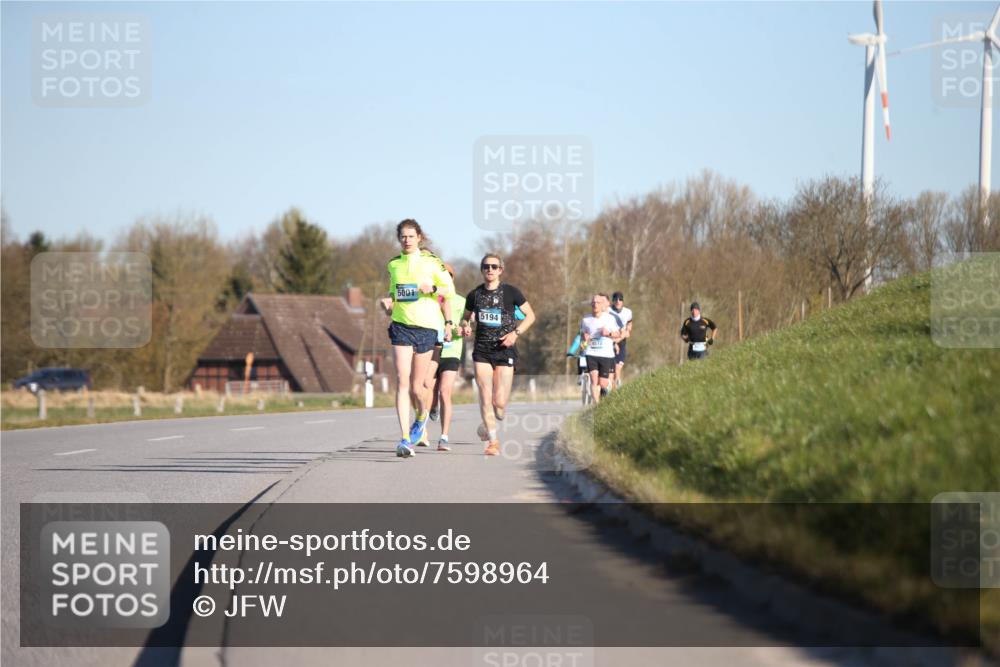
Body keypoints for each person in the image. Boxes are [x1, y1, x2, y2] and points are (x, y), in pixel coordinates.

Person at [380, 219, 455, 458]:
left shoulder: (432, 261)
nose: (407, 240)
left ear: (419, 237)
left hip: (426, 327)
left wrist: (432, 288)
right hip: (401, 326)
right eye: (403, 236)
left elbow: (450, 291)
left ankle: (421, 417)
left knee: (417, 387)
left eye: (411, 236)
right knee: (402, 381)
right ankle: (405, 438)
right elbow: (395, 294)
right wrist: (388, 303)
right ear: (398, 238)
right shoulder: (393, 264)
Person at [459, 253, 535, 456]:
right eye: (486, 266)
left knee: (499, 404)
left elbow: (530, 316)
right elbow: (465, 318)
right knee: (485, 394)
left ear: (500, 270)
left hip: (505, 349)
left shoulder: (511, 292)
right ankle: (493, 442)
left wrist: (515, 334)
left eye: (494, 266)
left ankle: (489, 422)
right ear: (482, 269)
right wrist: (465, 326)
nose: (490, 270)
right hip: (482, 350)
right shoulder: (474, 294)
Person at [420, 263, 462, 451]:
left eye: (449, 275)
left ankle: (444, 437)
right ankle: (423, 427)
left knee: (445, 391)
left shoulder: (460, 300)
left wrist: (463, 328)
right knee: (427, 387)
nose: (446, 277)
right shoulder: (429, 298)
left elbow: (468, 322)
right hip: (432, 349)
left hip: (451, 351)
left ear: (452, 278)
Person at [580, 293, 622, 403]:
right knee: (594, 380)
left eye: (598, 302)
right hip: (591, 353)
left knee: (603, 383)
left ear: (602, 304)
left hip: (605, 354)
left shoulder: (609, 318)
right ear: (591, 304)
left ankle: (609, 389)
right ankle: (597, 406)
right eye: (593, 302)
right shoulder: (586, 319)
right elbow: (583, 334)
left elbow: (618, 334)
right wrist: (584, 337)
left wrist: (608, 334)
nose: (595, 304)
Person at [608, 291, 633, 389]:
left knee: (618, 369)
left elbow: (629, 325)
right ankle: (611, 390)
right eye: (616, 299)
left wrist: (628, 330)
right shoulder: (608, 310)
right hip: (609, 343)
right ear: (613, 300)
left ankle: (617, 387)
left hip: (621, 343)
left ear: (623, 301)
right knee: (611, 371)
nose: (618, 301)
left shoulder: (628, 312)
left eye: (620, 299)